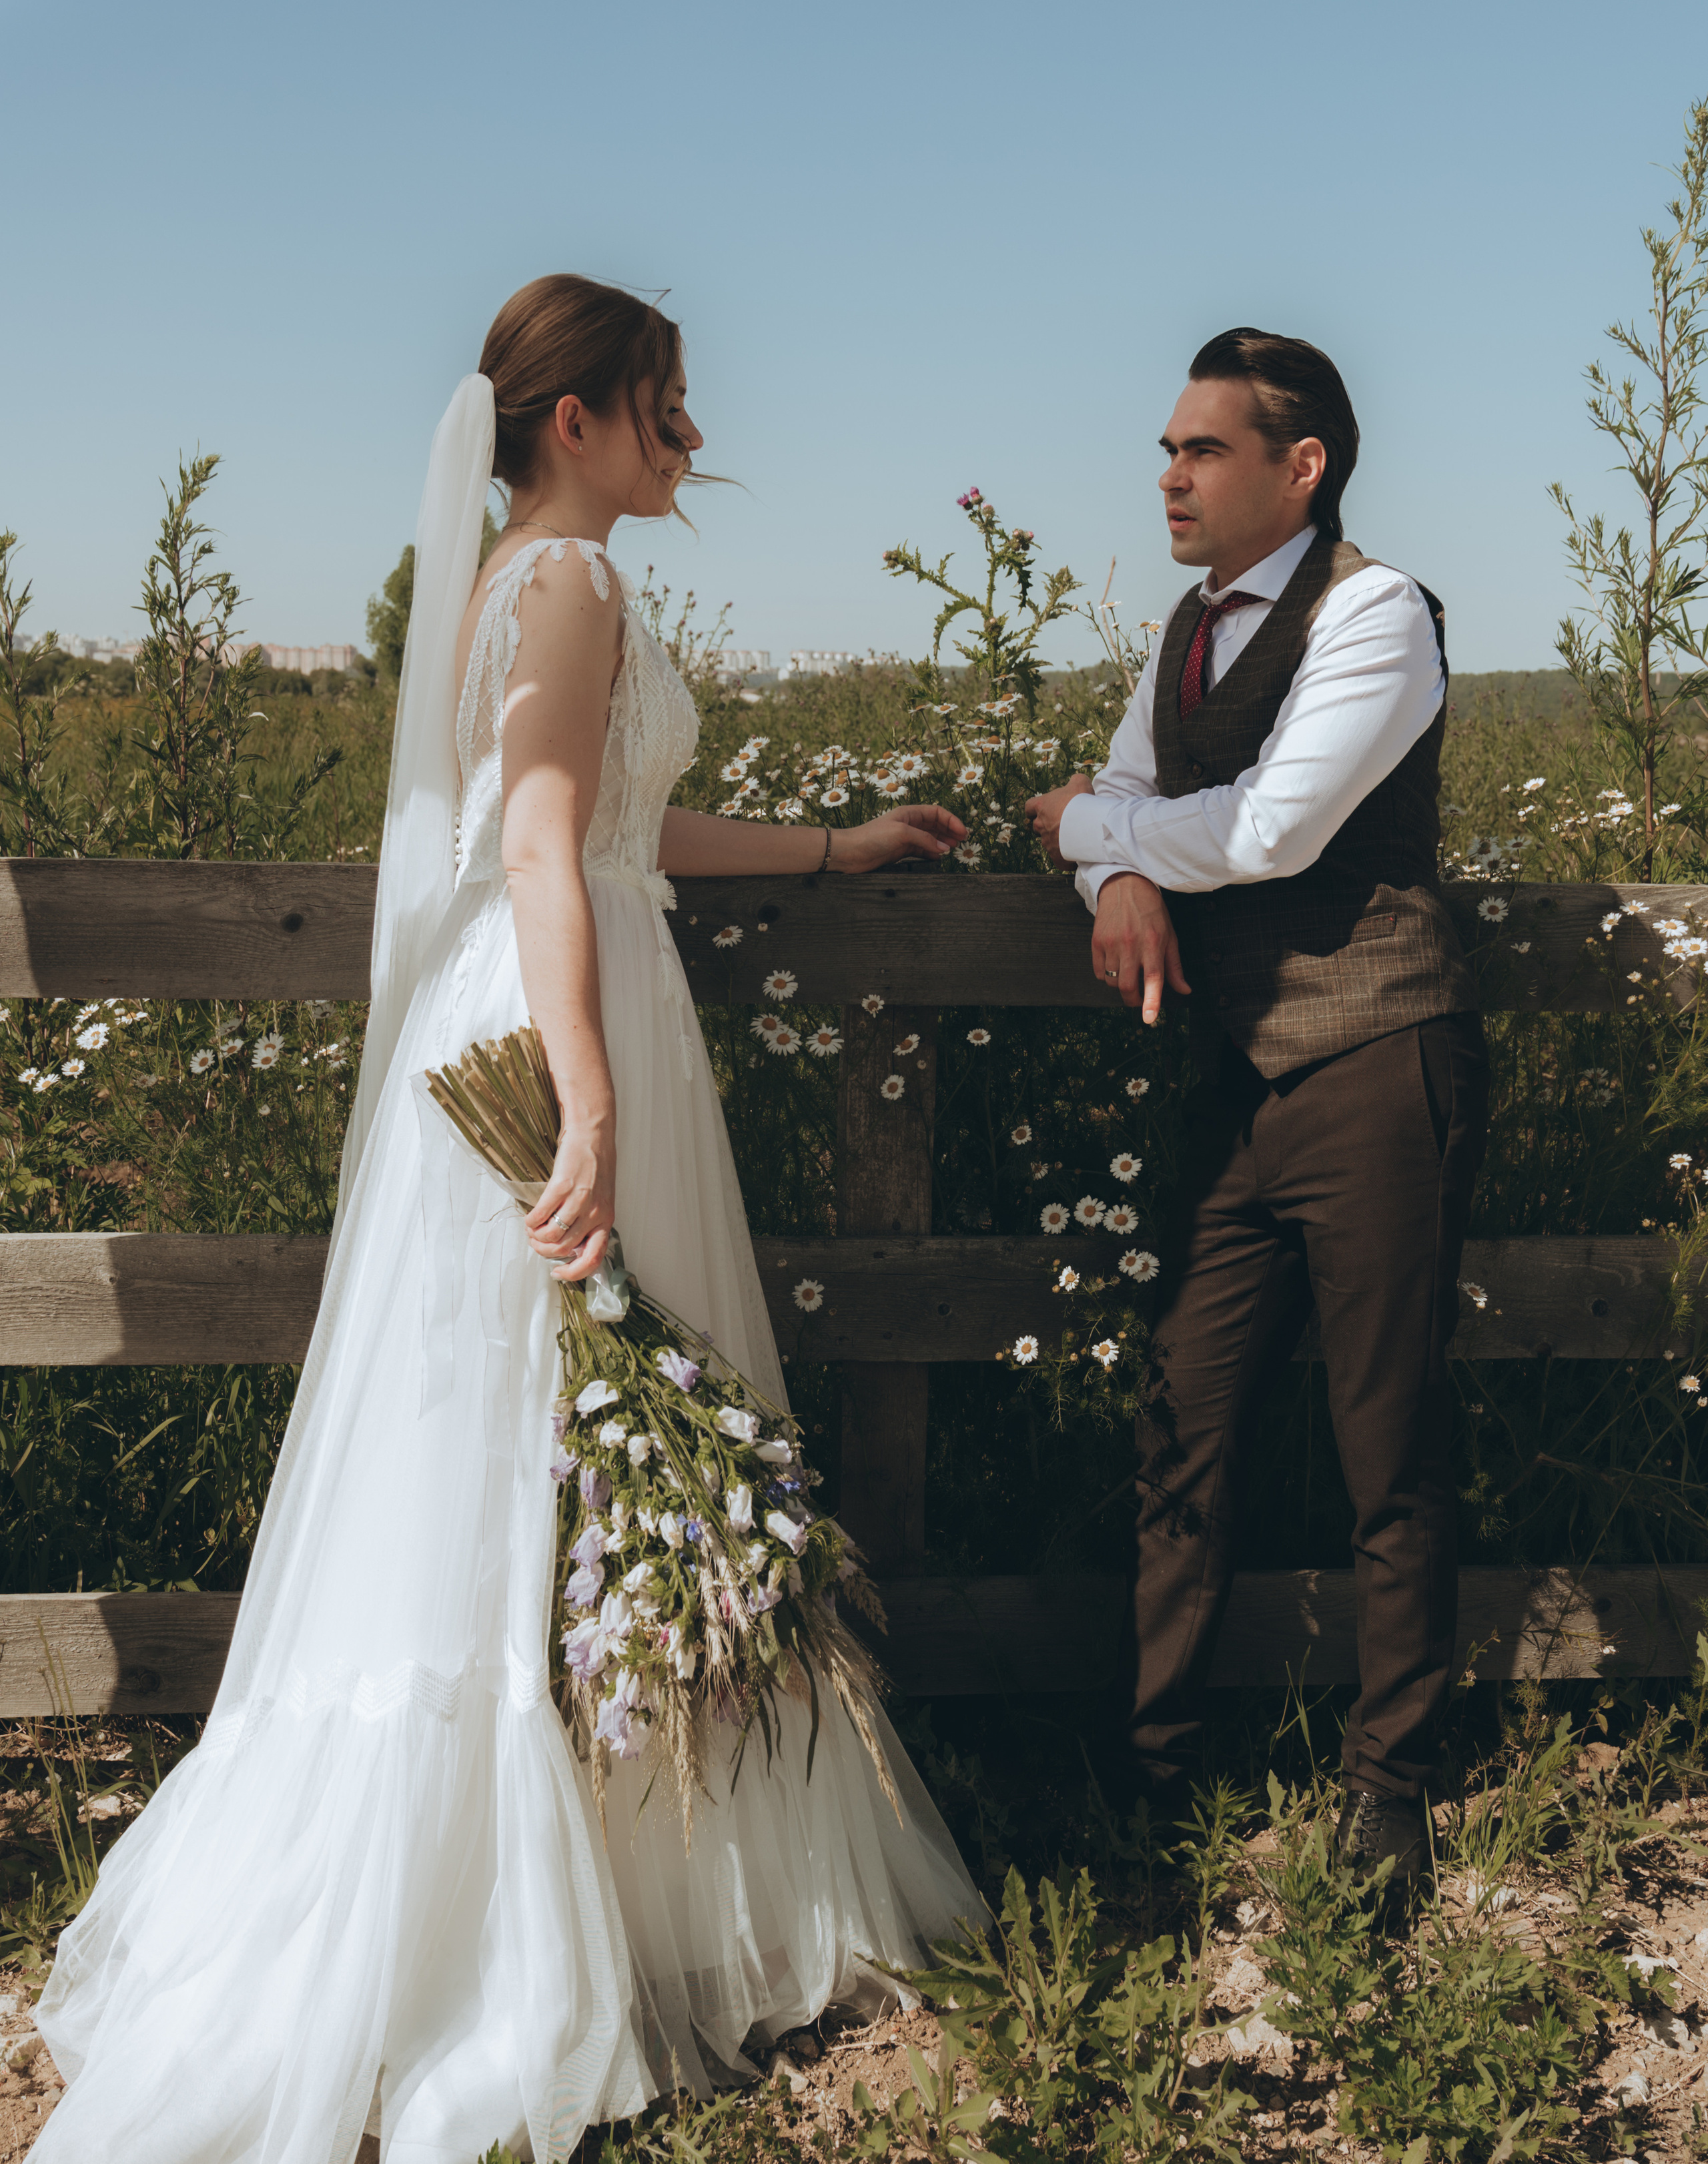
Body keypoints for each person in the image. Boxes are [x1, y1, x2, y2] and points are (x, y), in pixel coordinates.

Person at [33, 274, 981, 2164]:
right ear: (576, 422)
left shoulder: (519, 584)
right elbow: (544, 838)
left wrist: (828, 848)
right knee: (517, 1458)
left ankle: (607, 1868)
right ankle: (519, 1912)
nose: (689, 441)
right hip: (554, 1017)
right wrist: (596, 1089)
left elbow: (609, 824)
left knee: (513, 1458)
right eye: (665, 407)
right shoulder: (569, 582)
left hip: (559, 977)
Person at [1027, 328, 1486, 1891]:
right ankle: (1154, 1777)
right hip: (1236, 1081)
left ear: (1298, 466)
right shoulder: (1182, 632)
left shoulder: (1376, 610)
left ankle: (1388, 1795)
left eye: (1197, 448)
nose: (1164, 473)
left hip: (1373, 1062)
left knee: (1388, 1442)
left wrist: (1096, 826)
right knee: (1183, 1422)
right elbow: (1119, 817)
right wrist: (1116, 858)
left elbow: (1281, 826)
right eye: (1164, 447)